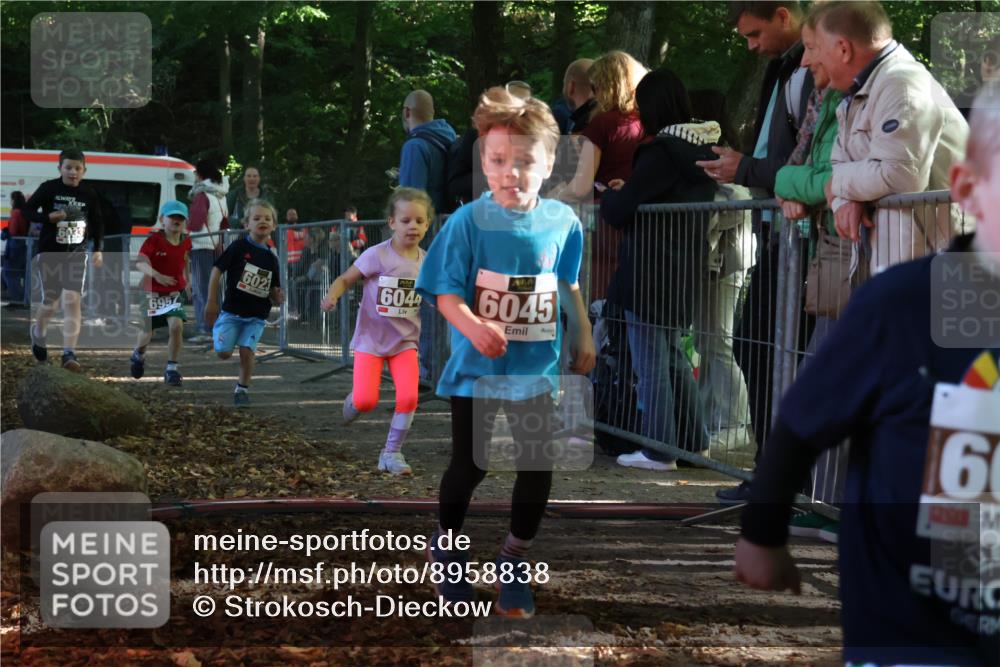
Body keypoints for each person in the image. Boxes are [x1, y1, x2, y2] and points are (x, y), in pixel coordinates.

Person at [733, 83, 1000, 667]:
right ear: (968, 189)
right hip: (908, 630)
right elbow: (802, 422)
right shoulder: (901, 307)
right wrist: (763, 532)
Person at [416, 87, 596, 617]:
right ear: (483, 161)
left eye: (524, 162)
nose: (510, 173)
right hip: (477, 370)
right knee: (469, 465)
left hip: (535, 370)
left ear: (550, 163)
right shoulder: (467, 222)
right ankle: (446, 549)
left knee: (536, 467)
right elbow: (444, 292)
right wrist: (472, 327)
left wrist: (583, 330)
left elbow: (567, 281)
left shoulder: (563, 222)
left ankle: (514, 561)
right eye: (497, 161)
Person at [699, 1, 813, 504]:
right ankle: (774, 469)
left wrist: (745, 169)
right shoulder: (785, 67)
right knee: (757, 345)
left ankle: (785, 475)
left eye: (754, 34)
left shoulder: (810, 69)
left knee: (768, 349)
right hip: (781, 229)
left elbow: (804, 162)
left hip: (805, 234)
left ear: (784, 15)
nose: (750, 46)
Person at [600, 69, 726, 470]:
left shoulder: (659, 153)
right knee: (672, 356)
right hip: (683, 269)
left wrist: (612, 196)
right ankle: (695, 443)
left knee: (651, 362)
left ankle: (659, 450)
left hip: (648, 271)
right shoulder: (703, 153)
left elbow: (622, 210)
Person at [814, 0, 969, 273]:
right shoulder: (859, 93)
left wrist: (837, 185)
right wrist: (846, 198)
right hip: (904, 265)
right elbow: (841, 165)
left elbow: (900, 175)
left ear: (843, 49)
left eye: (815, 48)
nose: (808, 60)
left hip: (938, 268)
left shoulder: (902, 84)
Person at [320, 188, 432, 476]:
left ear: (427, 225)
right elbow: (345, 279)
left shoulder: (426, 262)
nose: (413, 226)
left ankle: (391, 453)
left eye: (419, 221)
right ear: (392, 222)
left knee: (409, 398)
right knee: (366, 401)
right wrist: (332, 296)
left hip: (405, 343)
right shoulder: (377, 255)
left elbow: (438, 296)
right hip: (371, 341)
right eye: (406, 220)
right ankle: (354, 400)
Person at [23, 148, 105, 372]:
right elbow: (26, 211)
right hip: (50, 251)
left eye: (77, 168)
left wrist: (98, 249)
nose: (73, 172)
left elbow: (98, 221)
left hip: (76, 253)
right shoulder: (49, 188)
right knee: (51, 302)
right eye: (68, 168)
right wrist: (46, 217)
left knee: (72, 299)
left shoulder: (89, 193)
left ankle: (69, 353)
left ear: (84, 170)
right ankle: (38, 333)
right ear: (60, 168)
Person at [204, 199, 284, 408]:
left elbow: (273, 289)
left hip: (256, 315)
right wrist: (211, 302)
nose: (262, 221)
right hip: (232, 312)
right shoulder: (238, 247)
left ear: (274, 225)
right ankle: (220, 332)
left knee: (247, 351)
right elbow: (216, 271)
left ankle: (242, 390)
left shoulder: (271, 258)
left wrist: (278, 296)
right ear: (246, 224)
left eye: (267, 218)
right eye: (256, 218)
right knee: (223, 353)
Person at [129, 201, 192, 386]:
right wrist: (157, 275)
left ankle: (172, 369)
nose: (176, 220)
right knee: (148, 330)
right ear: (162, 219)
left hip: (173, 291)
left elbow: (185, 261)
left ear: (185, 221)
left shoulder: (186, 241)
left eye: (180, 218)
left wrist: (187, 282)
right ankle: (138, 355)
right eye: (172, 217)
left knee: (176, 326)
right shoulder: (154, 240)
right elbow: (140, 263)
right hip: (151, 291)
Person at [186, 158, 229, 344]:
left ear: (201, 174)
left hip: (201, 246)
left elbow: (195, 224)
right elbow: (225, 223)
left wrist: (185, 226)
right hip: (217, 247)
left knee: (200, 290)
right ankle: (216, 328)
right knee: (214, 290)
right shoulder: (221, 195)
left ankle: (204, 329)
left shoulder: (202, 195)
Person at [399, 89, 457, 215]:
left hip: (429, 225)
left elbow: (410, 202)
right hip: (450, 221)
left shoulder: (414, 147)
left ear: (407, 112)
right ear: (432, 112)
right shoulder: (450, 138)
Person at [2, 191, 29, 307]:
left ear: (14, 200)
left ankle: (17, 299)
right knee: (17, 273)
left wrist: (5, 232)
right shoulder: (25, 211)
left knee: (10, 273)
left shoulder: (16, 212)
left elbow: (13, 231)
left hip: (15, 246)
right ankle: (20, 298)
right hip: (25, 246)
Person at [226, 166, 273, 230]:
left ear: (259, 178)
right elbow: (223, 217)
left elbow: (273, 217)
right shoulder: (234, 195)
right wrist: (239, 222)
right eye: (248, 176)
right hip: (238, 233)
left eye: (255, 176)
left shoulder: (266, 196)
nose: (252, 179)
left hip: (262, 232)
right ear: (244, 178)